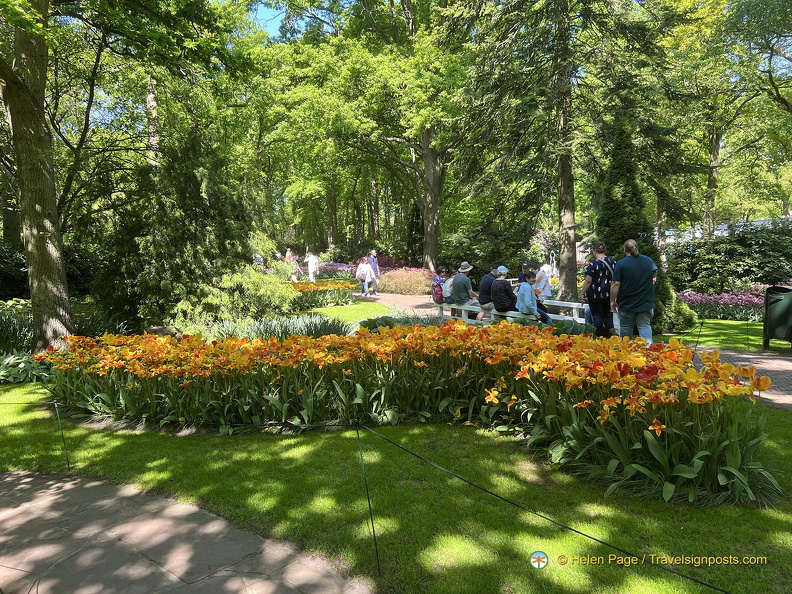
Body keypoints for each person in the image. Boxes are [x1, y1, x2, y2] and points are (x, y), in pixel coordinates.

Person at [610, 239, 658, 344]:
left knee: (626, 328)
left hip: (627, 303)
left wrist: (612, 300)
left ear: (624, 249)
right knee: (644, 326)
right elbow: (654, 279)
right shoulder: (648, 261)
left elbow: (615, 284)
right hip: (646, 302)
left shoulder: (621, 264)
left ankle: (626, 353)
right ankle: (648, 352)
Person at [580, 241, 617, 337]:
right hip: (608, 294)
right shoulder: (613, 262)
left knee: (597, 317)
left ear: (594, 250)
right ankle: (612, 331)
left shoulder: (593, 264)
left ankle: (600, 336)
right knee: (607, 314)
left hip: (595, 294)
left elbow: (588, 281)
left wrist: (582, 293)